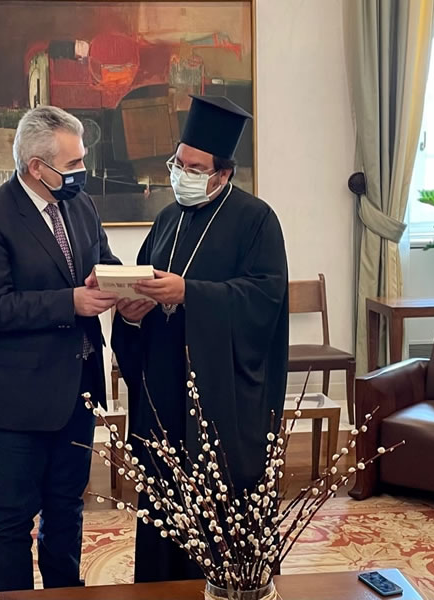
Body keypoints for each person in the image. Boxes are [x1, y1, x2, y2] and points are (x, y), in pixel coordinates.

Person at [111, 95, 289, 583]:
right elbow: (145, 283)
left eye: (194, 168)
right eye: (177, 163)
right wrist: (131, 313)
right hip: (164, 389)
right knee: (165, 504)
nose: (181, 175)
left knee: (219, 511)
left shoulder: (256, 220)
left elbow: (265, 298)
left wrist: (190, 293)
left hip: (221, 396)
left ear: (222, 174)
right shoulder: (168, 218)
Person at [0, 105, 120, 600]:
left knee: (66, 507)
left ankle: (65, 595)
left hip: (77, 389)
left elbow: (103, 261)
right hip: (14, 396)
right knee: (13, 515)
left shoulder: (80, 204)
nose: (82, 171)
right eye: (73, 164)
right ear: (36, 167)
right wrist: (70, 301)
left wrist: (120, 282)